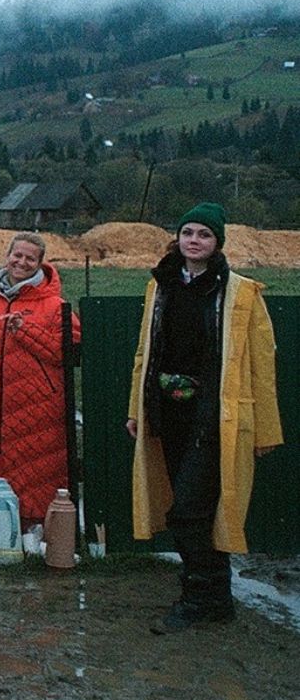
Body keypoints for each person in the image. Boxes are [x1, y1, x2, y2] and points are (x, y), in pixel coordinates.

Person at [125, 202, 282, 634]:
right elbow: (145, 352)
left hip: (214, 415)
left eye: (203, 235)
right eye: (187, 232)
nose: (193, 240)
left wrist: (265, 428)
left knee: (191, 509)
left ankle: (202, 597)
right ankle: (214, 597)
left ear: (217, 244)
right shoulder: (160, 287)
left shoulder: (239, 293)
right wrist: (135, 409)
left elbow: (262, 364)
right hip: (168, 411)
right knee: (188, 505)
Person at [0, 232, 81, 529]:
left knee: (37, 470)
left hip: (37, 408)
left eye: (29, 258)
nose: (21, 262)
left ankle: (40, 531)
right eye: (17, 255)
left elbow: (68, 351)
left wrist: (26, 330)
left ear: (40, 264)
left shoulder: (55, 304)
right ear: (7, 255)